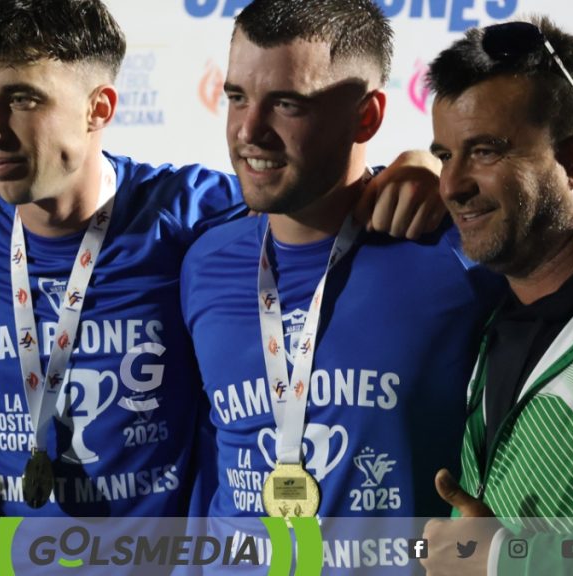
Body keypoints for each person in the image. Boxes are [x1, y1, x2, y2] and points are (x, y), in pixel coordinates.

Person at [0, 0, 445, 518]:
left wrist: (411, 168)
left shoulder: (191, 216)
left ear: (99, 109)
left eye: (22, 99)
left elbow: (307, 198)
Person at [180, 0, 501, 535]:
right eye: (237, 97)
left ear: (367, 116)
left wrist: (429, 168)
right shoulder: (201, 261)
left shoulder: (457, 256)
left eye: (286, 104)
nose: (249, 131)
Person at [421, 16, 573, 575]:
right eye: (444, 155)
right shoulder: (494, 310)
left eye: (485, 151)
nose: (451, 185)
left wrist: (506, 560)